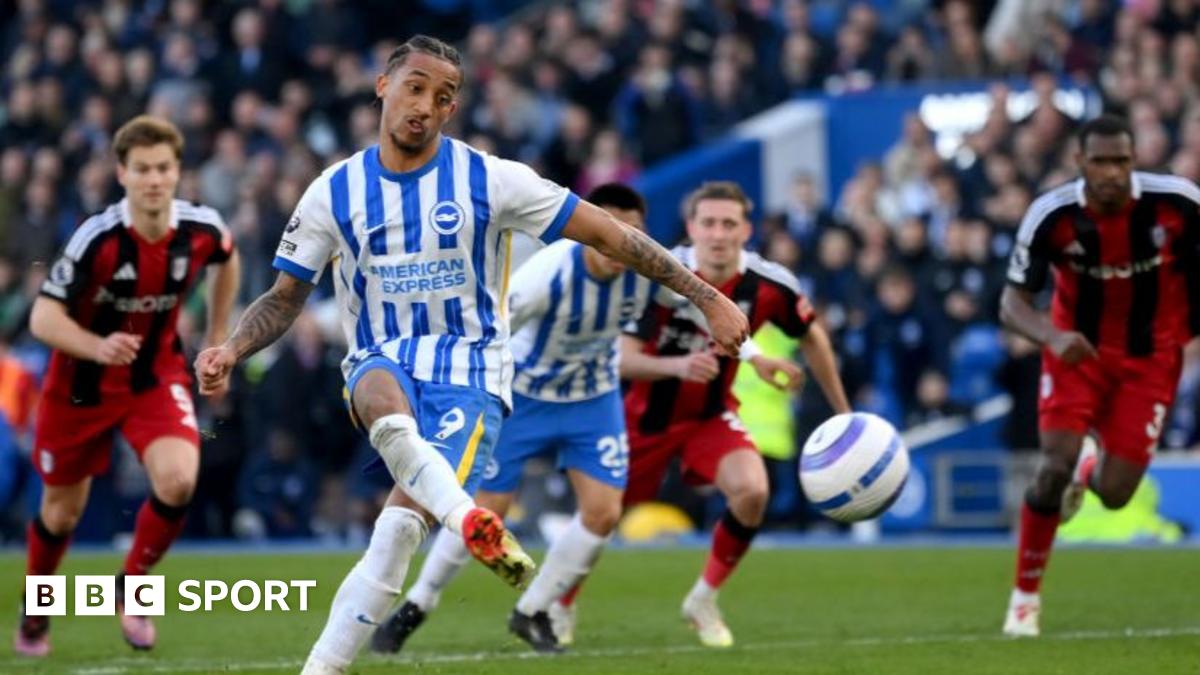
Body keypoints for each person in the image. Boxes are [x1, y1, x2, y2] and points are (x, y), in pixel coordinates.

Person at [192, 36, 747, 675]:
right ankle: (467, 518)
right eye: (415, 87)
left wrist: (706, 297)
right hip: (383, 358)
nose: (425, 105)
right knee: (376, 390)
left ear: (453, 109)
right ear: (383, 87)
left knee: (398, 533)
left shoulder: (490, 179)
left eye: (443, 96)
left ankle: (329, 660)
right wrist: (233, 347)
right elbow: (286, 296)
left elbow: (610, 234)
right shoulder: (332, 192)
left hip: (471, 376)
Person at [369, 183, 799, 654]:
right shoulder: (545, 277)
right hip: (524, 395)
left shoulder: (648, 270)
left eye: (628, 234)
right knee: (487, 510)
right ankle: (419, 603)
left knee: (603, 512)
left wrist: (755, 356)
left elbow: (705, 309)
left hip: (592, 398)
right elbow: (487, 331)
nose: (617, 245)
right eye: (607, 232)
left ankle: (533, 611)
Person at [557, 181, 852, 649]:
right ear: (691, 228)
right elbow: (620, 357)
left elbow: (811, 334)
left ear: (746, 230)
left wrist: (844, 415)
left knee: (753, 490)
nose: (718, 234)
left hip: (710, 417)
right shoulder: (654, 272)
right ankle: (561, 600)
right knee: (601, 517)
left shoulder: (771, 284)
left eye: (729, 224)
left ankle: (703, 598)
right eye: (708, 223)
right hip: (640, 419)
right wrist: (676, 366)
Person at [16, 115, 240, 657]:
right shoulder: (98, 239)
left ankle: (131, 588)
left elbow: (227, 257)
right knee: (61, 514)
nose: (154, 179)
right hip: (79, 387)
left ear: (178, 171)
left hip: (152, 377)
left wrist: (215, 338)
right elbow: (42, 320)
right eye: (142, 169)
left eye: (164, 168)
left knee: (179, 480)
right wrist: (96, 347)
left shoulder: (200, 228)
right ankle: (37, 611)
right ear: (122, 173)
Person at [1000, 114, 1200, 638]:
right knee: (1052, 466)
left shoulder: (1178, 204)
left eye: (1122, 161)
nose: (1112, 172)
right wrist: (1051, 336)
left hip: (1152, 360)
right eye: (1101, 161)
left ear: (1134, 161)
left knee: (1115, 494)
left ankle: (1090, 470)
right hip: (1076, 352)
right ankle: (1024, 600)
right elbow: (1011, 302)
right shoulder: (1051, 214)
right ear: (1079, 162)